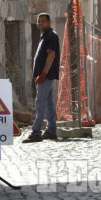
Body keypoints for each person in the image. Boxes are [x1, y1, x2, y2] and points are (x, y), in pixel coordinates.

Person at [23, 13, 60, 143]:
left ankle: (36, 132)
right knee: (49, 103)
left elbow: (51, 56)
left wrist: (43, 74)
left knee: (40, 103)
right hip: (44, 76)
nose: (40, 24)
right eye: (39, 22)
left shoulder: (51, 36)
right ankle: (51, 130)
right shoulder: (45, 36)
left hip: (46, 76)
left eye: (43, 21)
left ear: (49, 23)